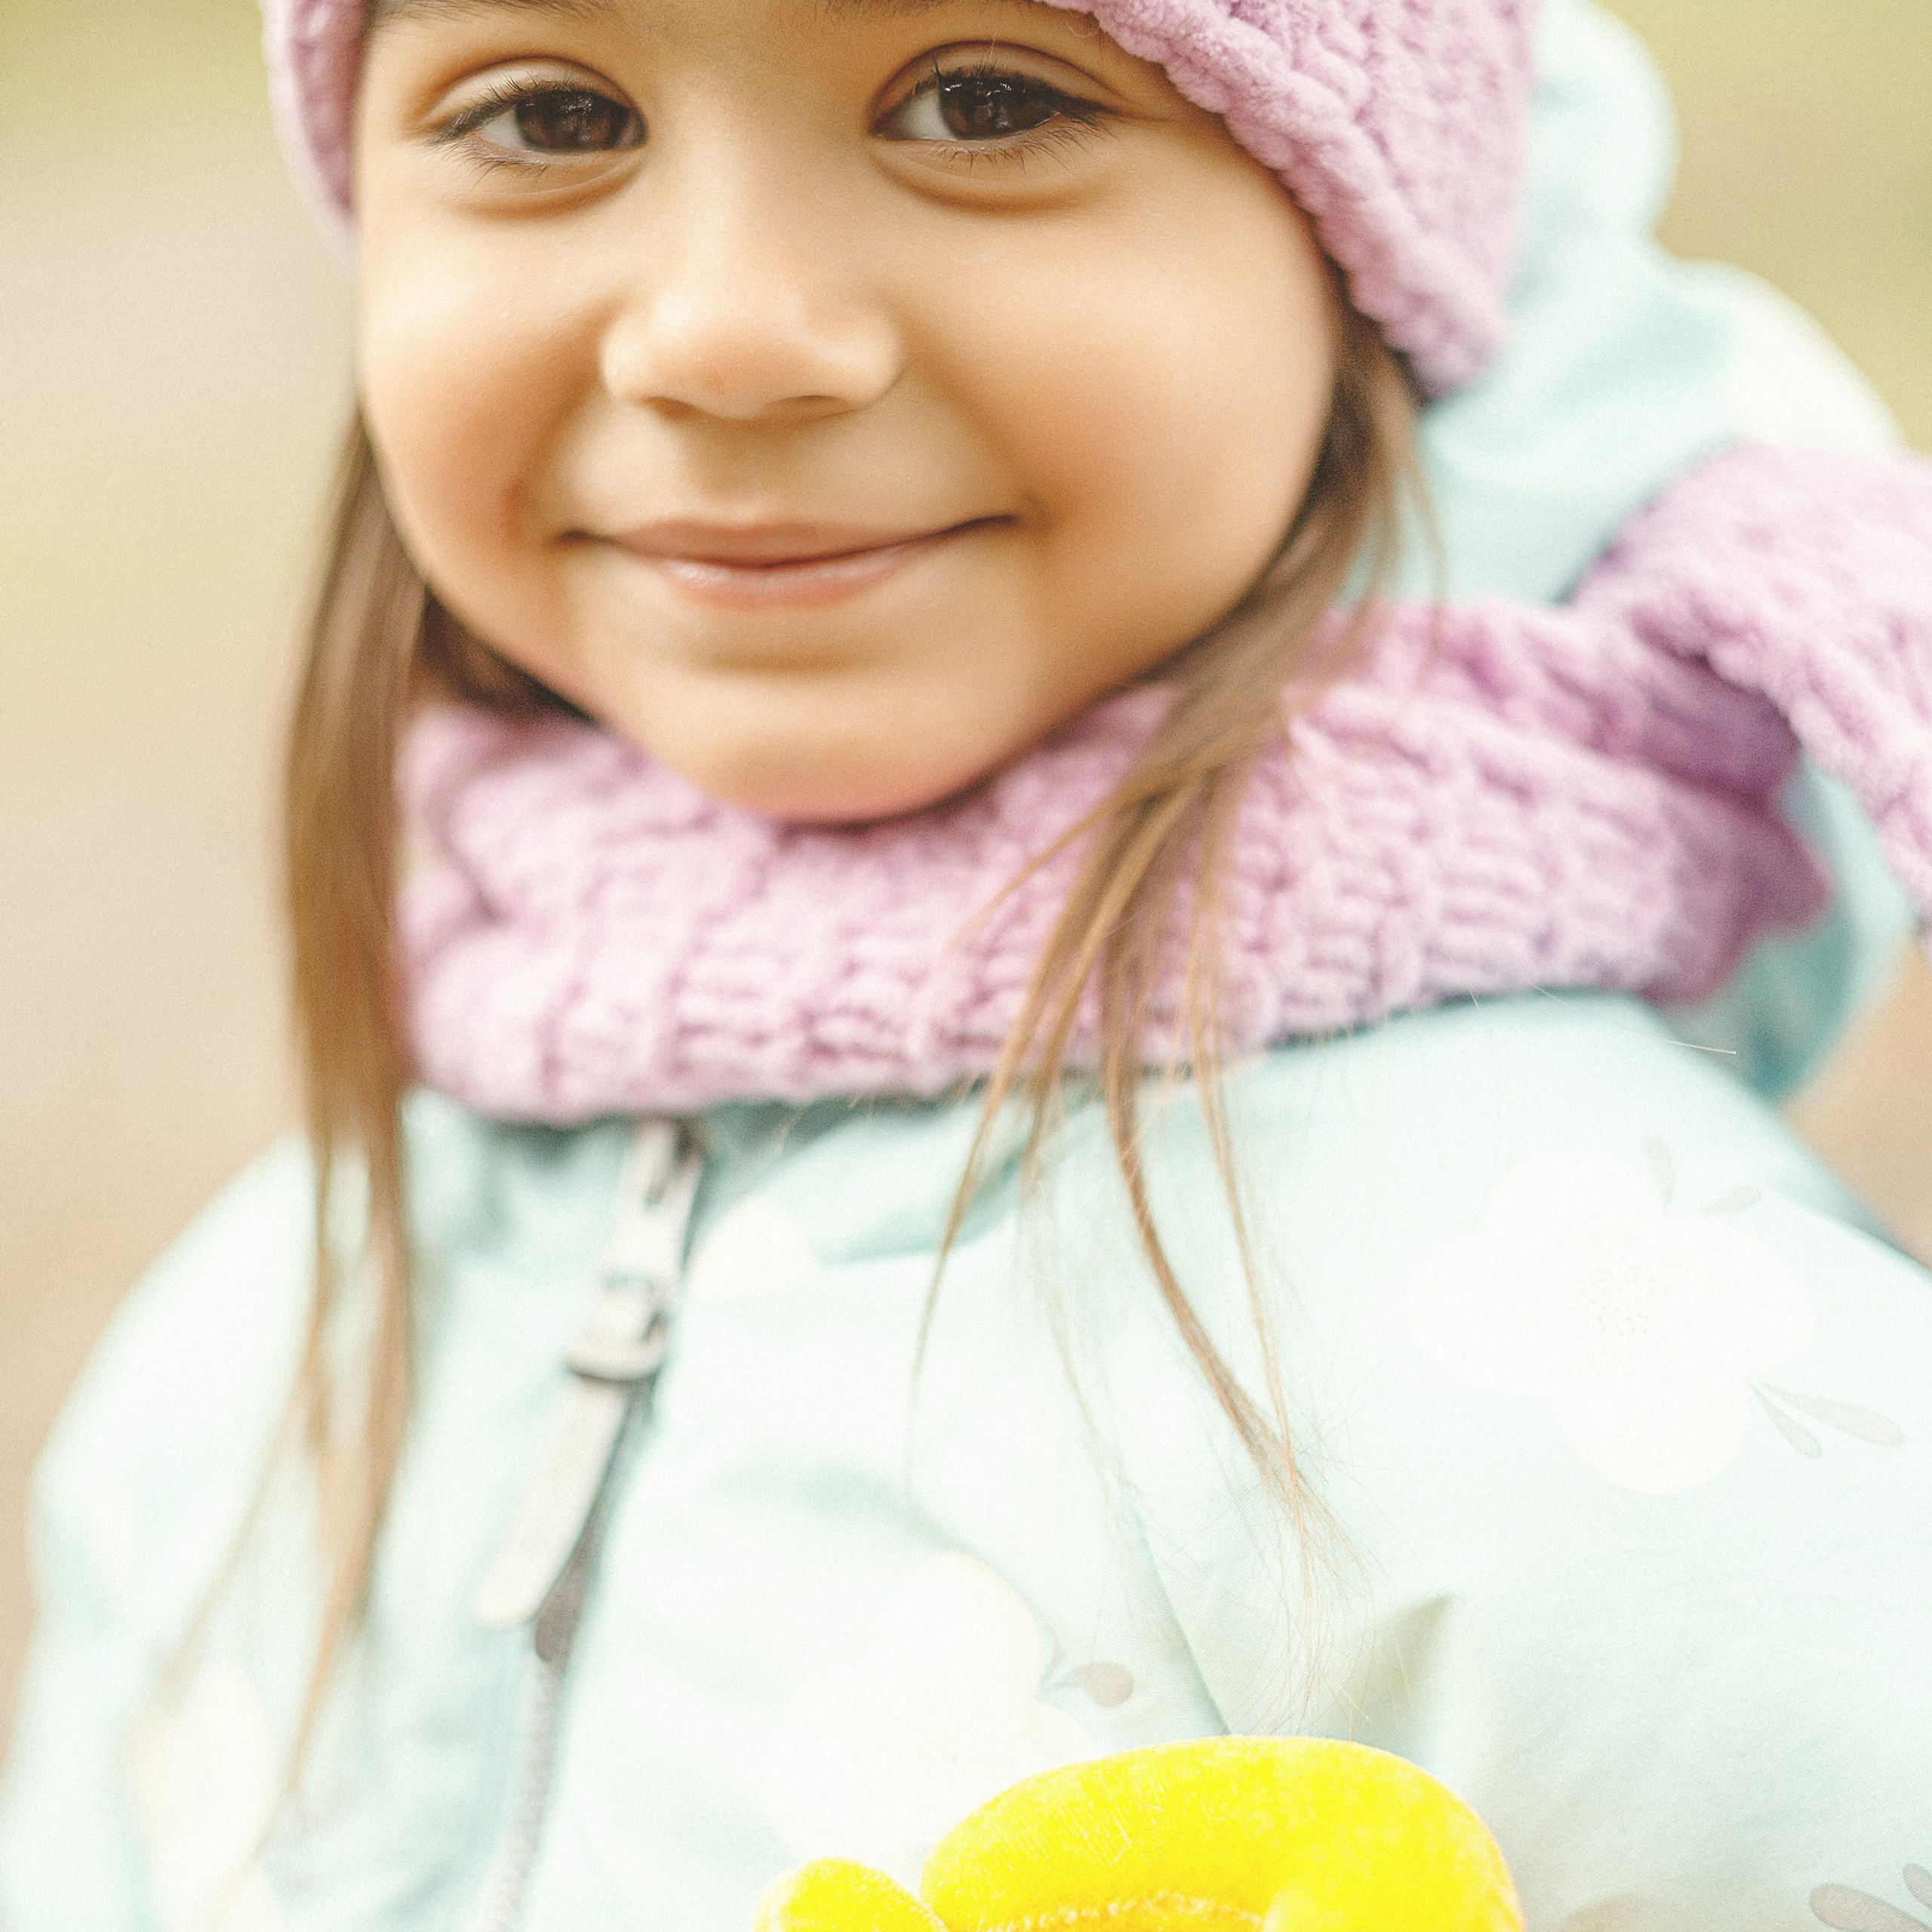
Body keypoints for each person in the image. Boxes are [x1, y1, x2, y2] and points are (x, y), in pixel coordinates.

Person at [2, 0, 1929, 1926]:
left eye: (982, 100)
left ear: (1364, 253)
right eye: (546, 114)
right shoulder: (281, 1320)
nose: (727, 329)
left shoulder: (1606, 1368)